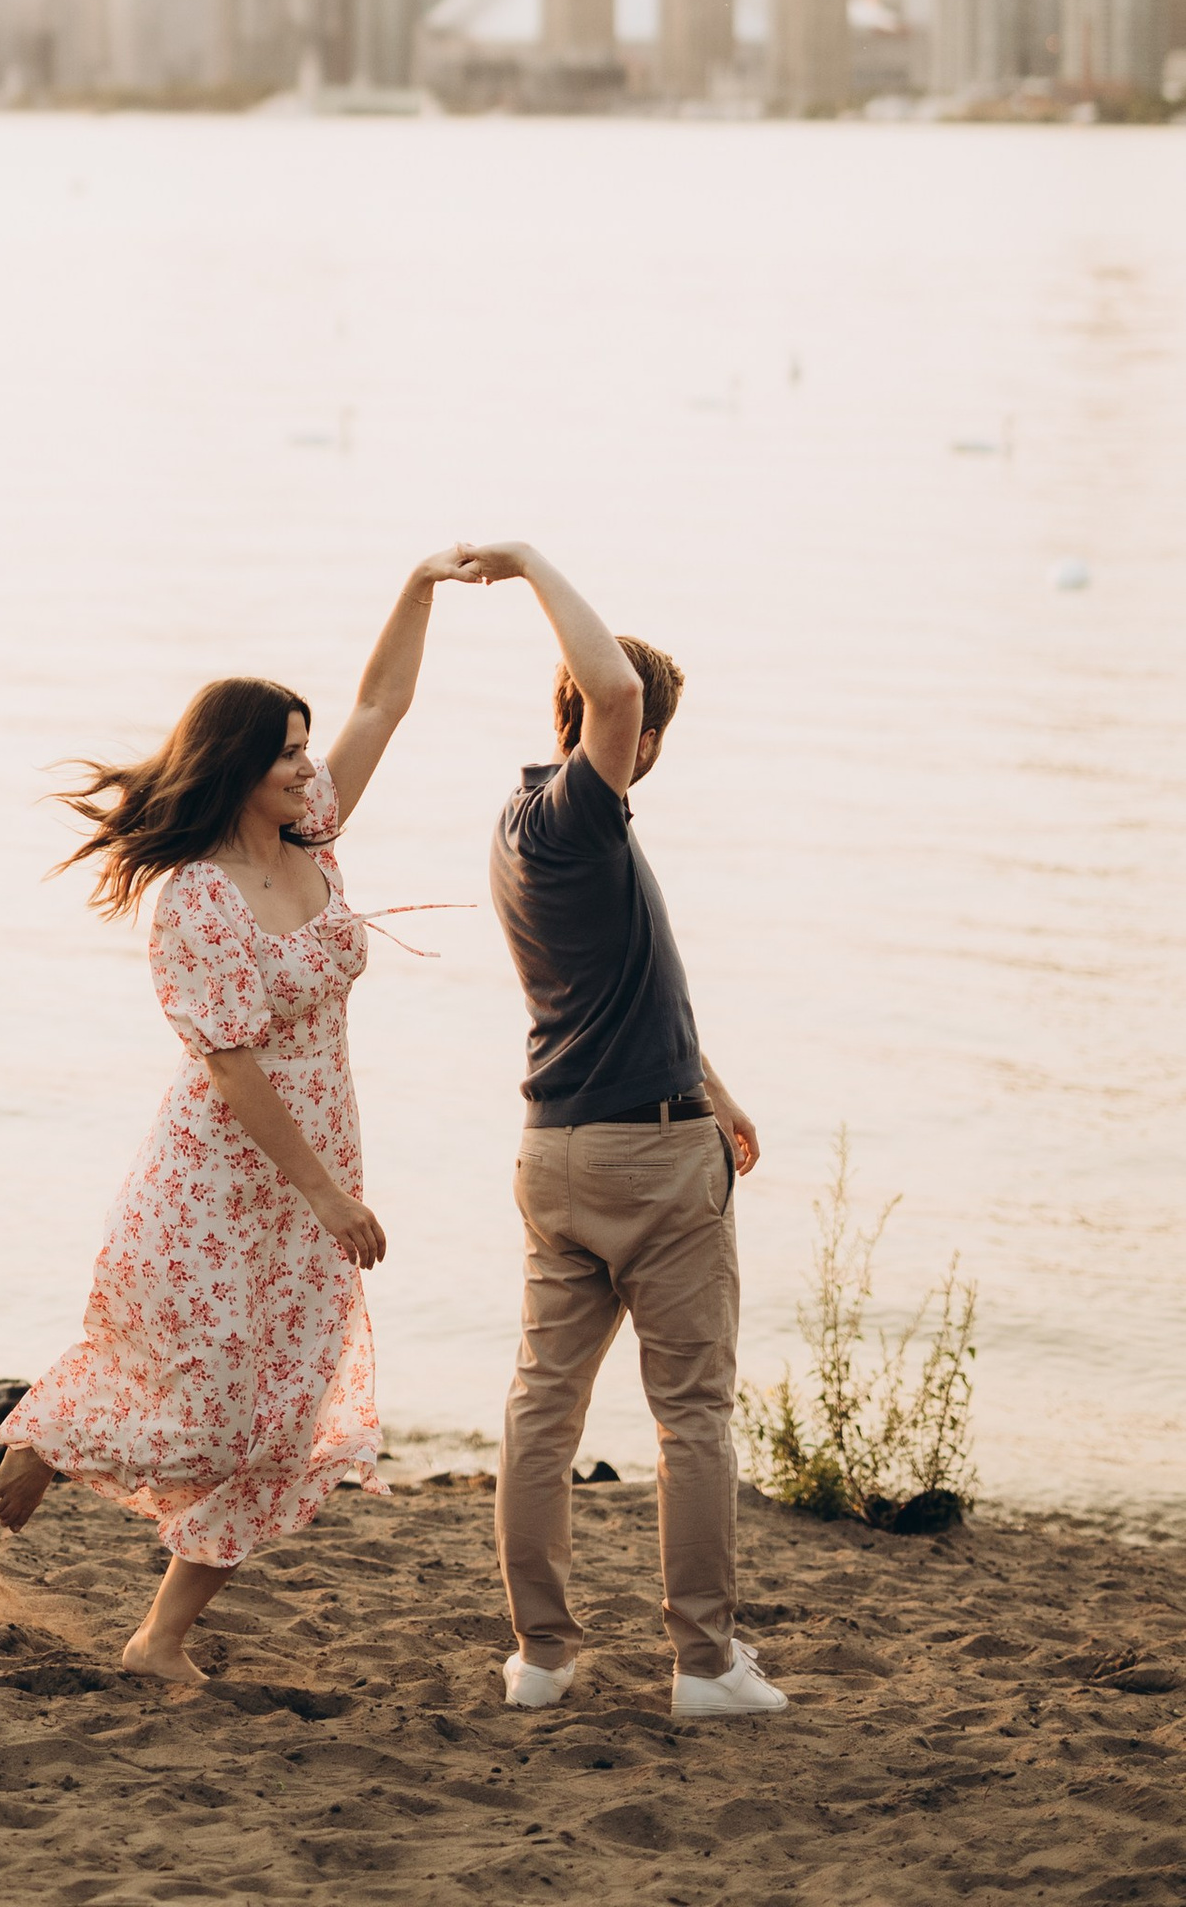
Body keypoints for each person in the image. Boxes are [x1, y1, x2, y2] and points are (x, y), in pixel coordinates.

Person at [0, 548, 482, 1689]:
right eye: (290, 753)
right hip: (223, 1174)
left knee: (284, 1417)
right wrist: (322, 1192)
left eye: (308, 751)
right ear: (240, 770)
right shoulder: (197, 901)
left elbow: (381, 704)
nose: (311, 767)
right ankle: (48, 1431)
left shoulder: (310, 834)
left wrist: (418, 587)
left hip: (320, 1159)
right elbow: (229, 1065)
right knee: (205, 1405)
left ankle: (159, 1636)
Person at [465, 539, 788, 1724]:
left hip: (558, 1149)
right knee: (691, 1415)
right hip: (643, 1161)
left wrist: (715, 1087)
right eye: (648, 731)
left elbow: (618, 988)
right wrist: (528, 565)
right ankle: (704, 1666)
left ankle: (540, 1659)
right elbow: (617, 688)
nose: (650, 743)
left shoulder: (520, 825)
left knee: (541, 1408)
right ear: (624, 737)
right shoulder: (574, 820)